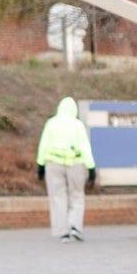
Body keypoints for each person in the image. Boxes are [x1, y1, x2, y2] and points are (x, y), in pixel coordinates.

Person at [36, 96, 97, 241]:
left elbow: (43, 144)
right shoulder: (77, 125)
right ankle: (75, 226)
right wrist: (91, 167)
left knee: (57, 197)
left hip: (53, 164)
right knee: (77, 195)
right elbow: (85, 147)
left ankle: (62, 231)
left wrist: (40, 164)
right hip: (75, 163)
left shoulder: (51, 123)